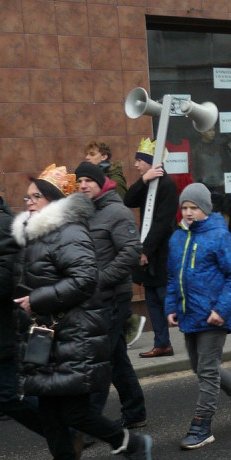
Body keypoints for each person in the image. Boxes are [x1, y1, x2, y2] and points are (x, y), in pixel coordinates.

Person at [13, 165, 152, 460]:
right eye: (27, 197)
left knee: (75, 414)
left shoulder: (70, 232)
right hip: (46, 336)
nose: (28, 203)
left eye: (36, 197)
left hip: (74, 333)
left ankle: (132, 444)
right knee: (48, 410)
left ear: (54, 200)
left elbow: (85, 279)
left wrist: (37, 300)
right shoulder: (38, 235)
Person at [166, 183, 231, 448]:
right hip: (189, 314)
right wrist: (171, 307)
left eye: (194, 207)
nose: (188, 212)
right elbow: (174, 277)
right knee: (201, 367)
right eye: (184, 207)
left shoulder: (219, 236)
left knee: (206, 371)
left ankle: (202, 426)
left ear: (205, 208)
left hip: (213, 316)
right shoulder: (178, 238)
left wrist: (222, 310)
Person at [74, 162, 147, 430]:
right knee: (115, 357)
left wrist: (100, 280)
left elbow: (130, 252)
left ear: (101, 181)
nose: (83, 186)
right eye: (79, 181)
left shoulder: (116, 211)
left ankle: (89, 423)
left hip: (113, 297)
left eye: (88, 180)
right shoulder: (85, 211)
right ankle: (135, 411)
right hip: (95, 298)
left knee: (100, 358)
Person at [124, 138, 179, 358]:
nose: (136, 165)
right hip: (149, 253)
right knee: (152, 300)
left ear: (151, 161)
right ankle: (162, 343)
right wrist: (144, 180)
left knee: (165, 298)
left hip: (161, 252)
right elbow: (129, 199)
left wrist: (145, 250)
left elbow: (162, 222)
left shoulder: (167, 185)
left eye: (140, 160)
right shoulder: (149, 183)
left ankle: (193, 334)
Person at [0, 192, 44, 436]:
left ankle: (65, 433)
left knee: (8, 396)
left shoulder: (5, 225)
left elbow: (6, 282)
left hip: (4, 330)